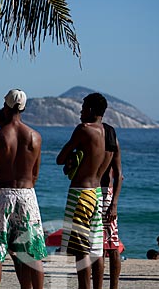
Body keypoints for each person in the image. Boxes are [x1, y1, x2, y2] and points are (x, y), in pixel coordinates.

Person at [0, 89, 47, 289]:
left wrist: (3, 183)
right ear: (24, 108)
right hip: (27, 195)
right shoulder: (35, 137)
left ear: (5, 107)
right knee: (33, 251)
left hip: (3, 195)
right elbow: (34, 175)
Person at [56, 92, 112, 289]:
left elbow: (60, 158)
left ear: (89, 110)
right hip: (97, 193)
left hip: (81, 193)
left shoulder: (84, 129)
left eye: (82, 108)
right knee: (96, 249)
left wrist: (73, 156)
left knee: (81, 250)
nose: (80, 112)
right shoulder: (108, 132)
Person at [91, 123, 124, 289]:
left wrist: (114, 204)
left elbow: (119, 176)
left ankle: (113, 286)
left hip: (103, 194)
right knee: (105, 245)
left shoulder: (109, 144)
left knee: (110, 245)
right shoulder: (107, 142)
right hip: (98, 193)